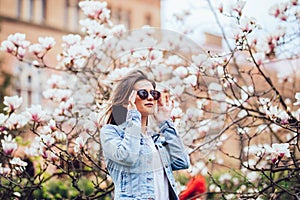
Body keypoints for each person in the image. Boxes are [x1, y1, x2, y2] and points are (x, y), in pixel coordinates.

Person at [100, 69, 190, 200]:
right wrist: (133, 116)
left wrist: (165, 122)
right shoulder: (111, 132)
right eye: (143, 93)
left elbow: (182, 162)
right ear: (127, 101)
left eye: (153, 93)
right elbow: (128, 157)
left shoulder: (155, 140)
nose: (150, 97)